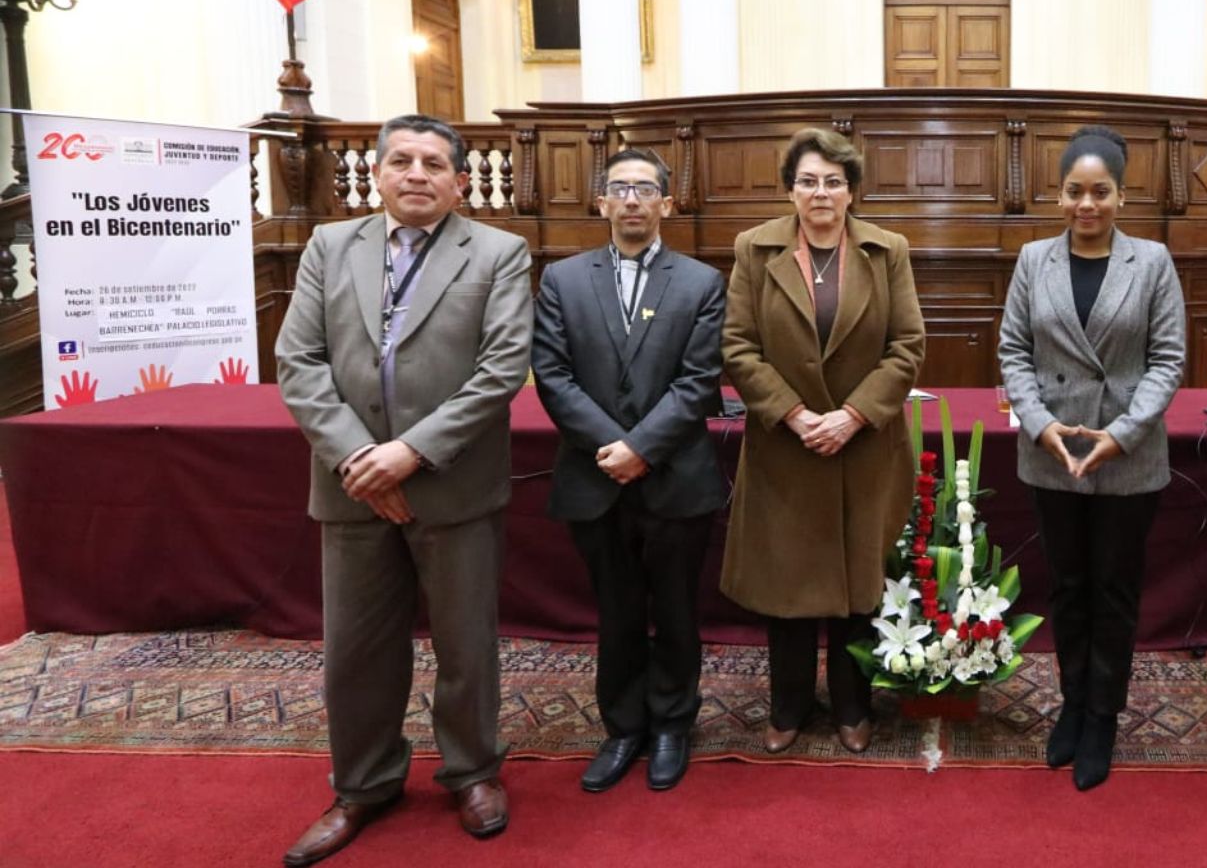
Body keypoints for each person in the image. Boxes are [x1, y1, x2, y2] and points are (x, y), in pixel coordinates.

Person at [276, 115, 532, 865]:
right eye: (401, 161)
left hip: (453, 485)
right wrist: (363, 458)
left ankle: (472, 771)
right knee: (356, 649)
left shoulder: (498, 253)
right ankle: (363, 784)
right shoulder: (329, 246)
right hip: (353, 485)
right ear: (379, 173)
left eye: (433, 163)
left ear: (460, 181)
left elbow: (502, 368)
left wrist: (410, 454)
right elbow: (298, 361)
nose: (416, 174)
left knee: (466, 643)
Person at [719, 127, 927, 755]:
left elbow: (907, 346)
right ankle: (787, 705)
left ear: (851, 191)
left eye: (833, 181)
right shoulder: (754, 249)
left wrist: (853, 415)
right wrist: (794, 414)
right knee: (786, 583)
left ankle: (852, 706)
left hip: (863, 449)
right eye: (808, 181)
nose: (821, 193)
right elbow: (738, 346)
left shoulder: (888, 250)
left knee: (859, 585)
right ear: (790, 189)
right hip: (786, 448)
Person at [532, 147, 727, 795]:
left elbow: (699, 380)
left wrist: (641, 447)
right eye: (620, 188)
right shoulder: (562, 280)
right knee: (615, 612)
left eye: (645, 189)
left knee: (675, 610)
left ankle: (672, 724)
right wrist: (612, 447)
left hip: (675, 475)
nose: (633, 200)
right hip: (595, 478)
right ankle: (622, 727)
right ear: (602, 203)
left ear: (667, 203)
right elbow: (552, 375)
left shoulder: (701, 283)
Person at [998, 126, 1187, 792]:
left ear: (1121, 196)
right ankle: (1072, 705)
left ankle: (1103, 715)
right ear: (1058, 195)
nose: (1087, 204)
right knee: (1068, 587)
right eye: (1075, 191)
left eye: (1100, 191)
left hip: (1127, 457)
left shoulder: (1152, 261)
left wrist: (1122, 434)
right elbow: (1013, 352)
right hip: (1052, 453)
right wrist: (1041, 425)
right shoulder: (1033, 260)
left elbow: (1168, 360)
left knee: (1114, 590)